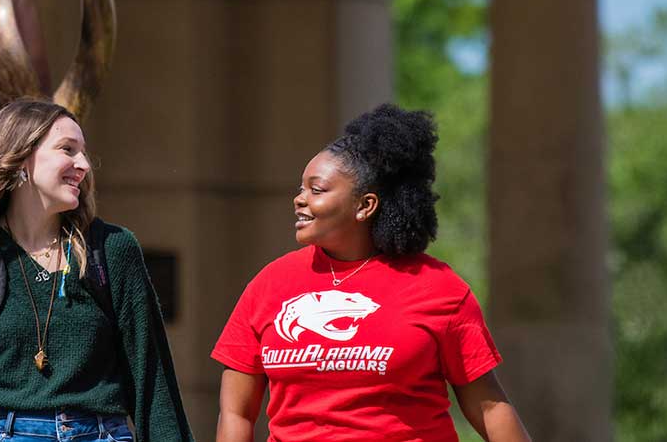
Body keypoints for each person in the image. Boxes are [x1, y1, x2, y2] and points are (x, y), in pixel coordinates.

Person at [211, 105, 531, 442]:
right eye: (301, 189)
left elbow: (490, 407)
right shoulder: (270, 284)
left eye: (316, 190)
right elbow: (236, 412)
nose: (299, 200)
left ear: (365, 206)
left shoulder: (438, 288)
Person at [0, 99, 192, 442]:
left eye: (83, 152)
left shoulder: (112, 250)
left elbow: (153, 382)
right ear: (21, 158)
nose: (83, 165)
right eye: (67, 149)